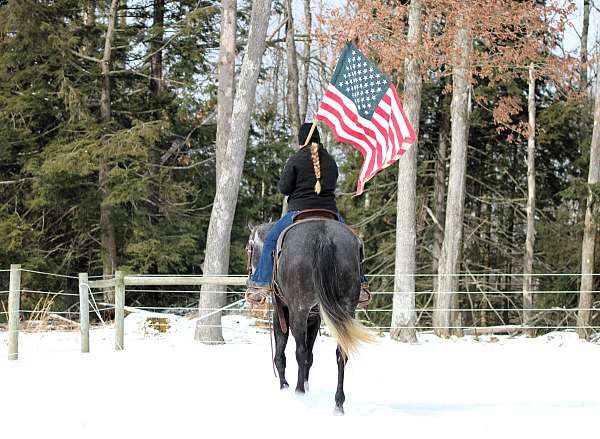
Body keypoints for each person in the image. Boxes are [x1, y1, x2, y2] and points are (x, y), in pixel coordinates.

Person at [245, 122, 371, 308]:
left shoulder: (296, 159)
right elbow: (333, 183)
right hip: (330, 212)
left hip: (299, 211)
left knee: (270, 241)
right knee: (354, 242)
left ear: (301, 141)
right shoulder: (330, 161)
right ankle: (360, 284)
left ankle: (261, 284)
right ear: (319, 139)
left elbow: (284, 188)